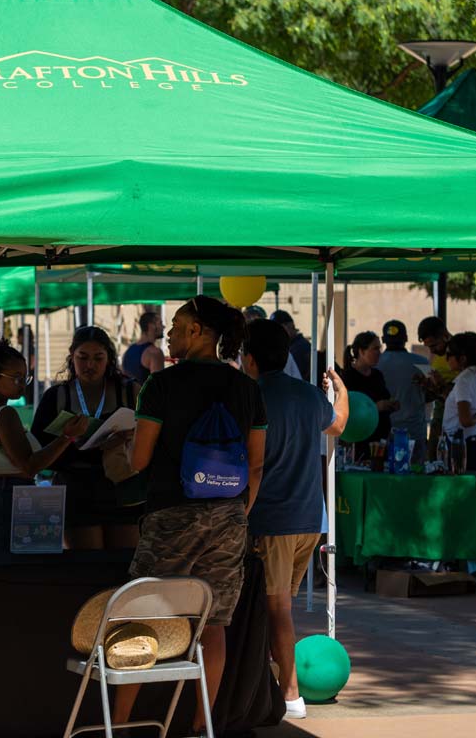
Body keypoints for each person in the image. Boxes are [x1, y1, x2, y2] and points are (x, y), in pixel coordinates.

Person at [113, 296, 266, 733]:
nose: (169, 332)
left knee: (141, 618)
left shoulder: (160, 385)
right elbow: (256, 463)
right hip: (230, 518)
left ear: (198, 330)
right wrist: (238, 511)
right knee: (213, 623)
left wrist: (121, 444)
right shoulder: (247, 388)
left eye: (177, 324)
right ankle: (203, 726)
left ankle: (120, 723)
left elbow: (140, 460)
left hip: (171, 515)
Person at [241, 320, 348, 719]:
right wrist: (343, 391)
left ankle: (289, 694)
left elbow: (251, 468)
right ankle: (274, 684)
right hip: (308, 518)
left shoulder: (251, 396)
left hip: (271, 518)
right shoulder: (306, 395)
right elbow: (338, 424)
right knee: (279, 605)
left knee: (277, 608)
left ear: (248, 358)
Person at [0, 341, 87, 551]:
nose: (22, 384)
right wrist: (66, 437)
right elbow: (29, 466)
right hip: (11, 502)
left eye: (25, 377)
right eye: (16, 378)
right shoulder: (5, 414)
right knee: (18, 572)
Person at [31, 327, 141, 549]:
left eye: (98, 358)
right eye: (83, 357)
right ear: (72, 356)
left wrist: (131, 437)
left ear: (109, 358)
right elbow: (39, 451)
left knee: (122, 568)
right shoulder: (56, 396)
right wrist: (70, 440)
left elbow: (153, 435)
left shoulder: (130, 392)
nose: (90, 365)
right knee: (87, 568)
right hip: (76, 491)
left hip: (123, 489)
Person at [442, 332, 476, 501]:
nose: (446, 359)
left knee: (462, 500)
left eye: (449, 355)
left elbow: (465, 420)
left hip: (465, 446)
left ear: (462, 358)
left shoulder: (464, 380)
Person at [375, 320, 432, 462]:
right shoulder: (422, 363)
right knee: (415, 479)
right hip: (414, 432)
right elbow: (431, 394)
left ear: (383, 340)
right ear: (406, 338)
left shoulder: (375, 363)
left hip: (382, 433)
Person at [340, 331, 397, 458]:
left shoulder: (377, 375)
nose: (379, 353)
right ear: (361, 351)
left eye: (380, 348)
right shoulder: (348, 377)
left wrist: (391, 405)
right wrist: (376, 407)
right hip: (359, 442)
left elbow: (384, 397)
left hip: (380, 441)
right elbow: (346, 410)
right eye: (375, 349)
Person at [417, 316, 457, 452]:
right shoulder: (436, 354)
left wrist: (442, 386)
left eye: (434, 345)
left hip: (459, 416)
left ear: (445, 335)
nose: (432, 350)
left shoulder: (459, 351)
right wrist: (427, 384)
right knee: (433, 455)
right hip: (440, 411)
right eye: (428, 347)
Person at [122, 311, 165, 385]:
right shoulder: (155, 353)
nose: (163, 327)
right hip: (145, 396)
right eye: (160, 323)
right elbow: (158, 387)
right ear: (151, 326)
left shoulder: (129, 350)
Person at [271, 310, 312, 382]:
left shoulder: (300, 348)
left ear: (290, 325)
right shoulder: (292, 346)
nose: (275, 333)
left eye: (279, 328)